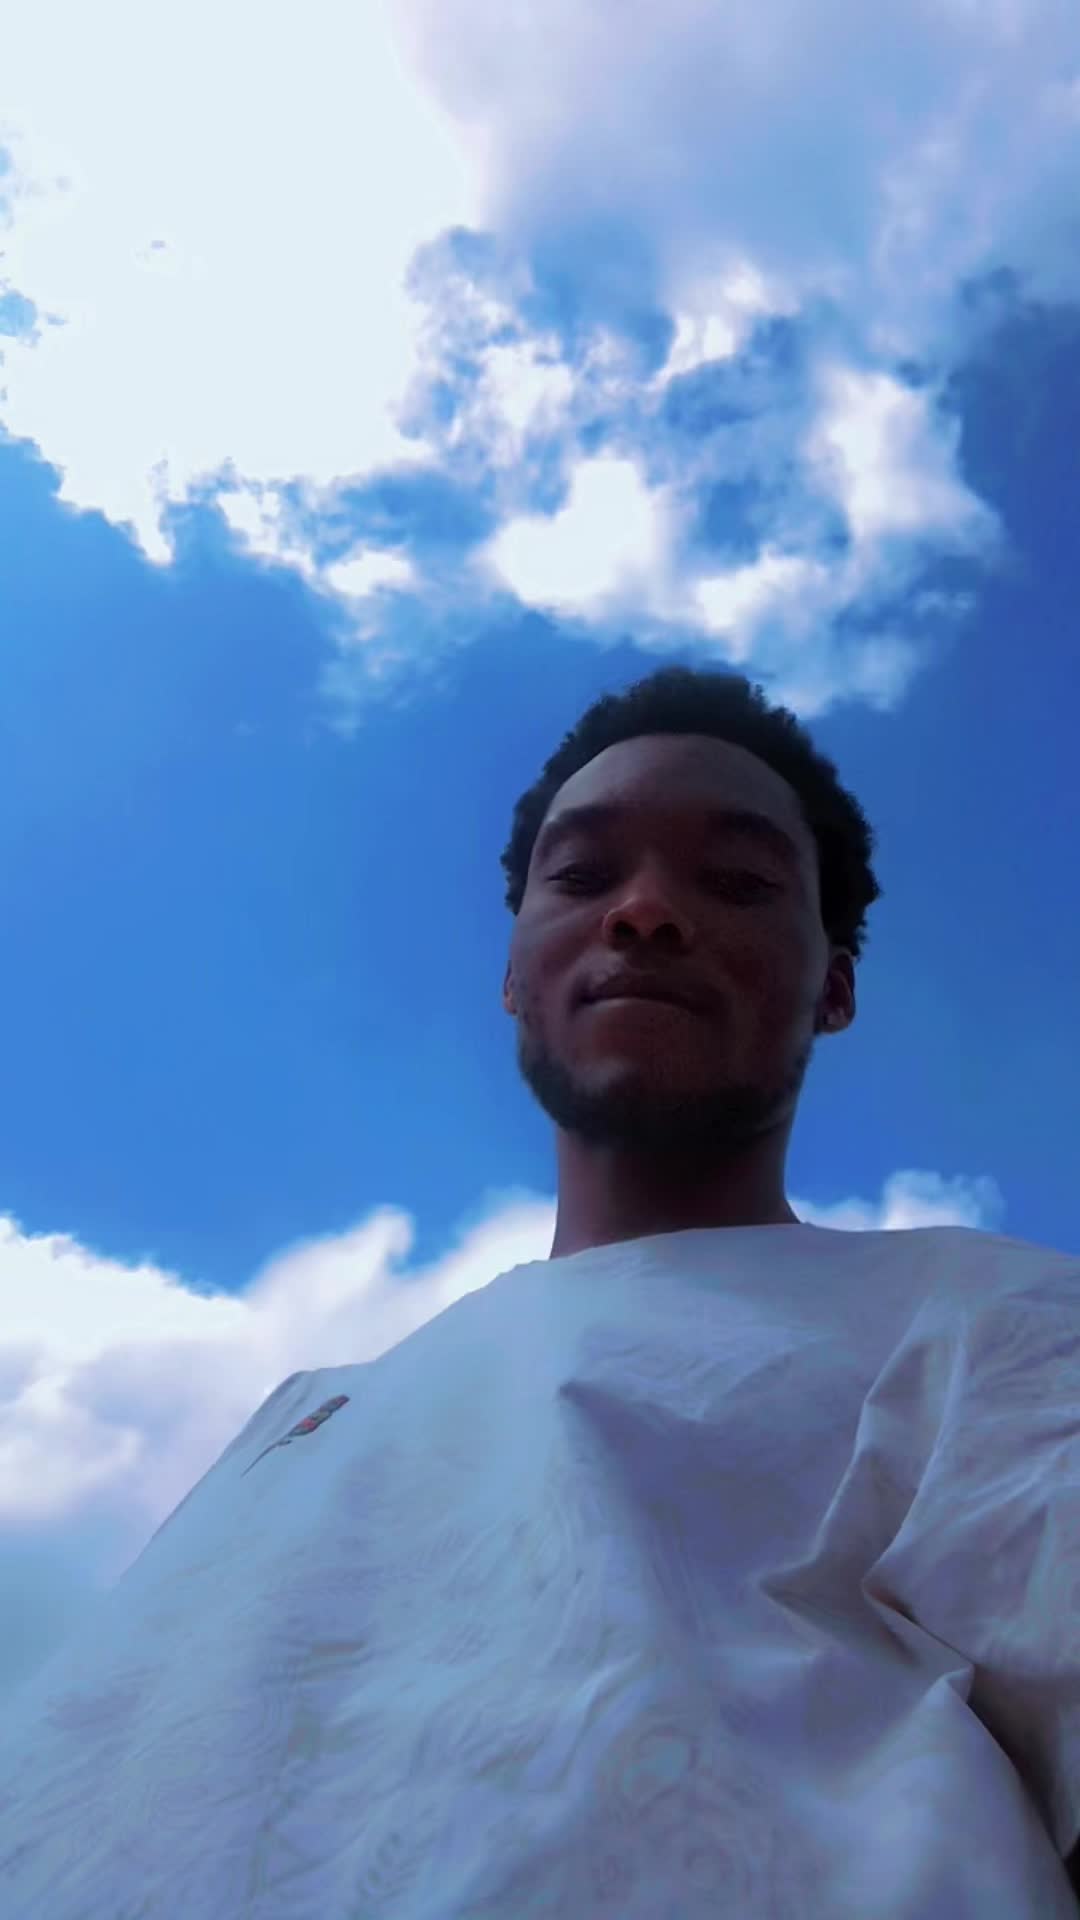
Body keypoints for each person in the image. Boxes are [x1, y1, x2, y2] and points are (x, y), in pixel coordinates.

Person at [1, 663, 1078, 1916]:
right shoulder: (299, 1413)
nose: (647, 912)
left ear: (833, 986)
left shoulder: (980, 1319)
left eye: (736, 882)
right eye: (583, 875)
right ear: (513, 971)